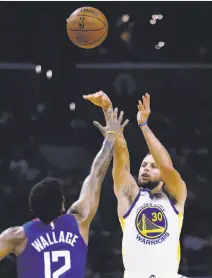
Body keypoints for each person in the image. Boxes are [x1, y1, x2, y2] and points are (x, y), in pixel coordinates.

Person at [0, 107, 129, 278]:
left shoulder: (18, 235)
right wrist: (110, 138)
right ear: (62, 203)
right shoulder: (80, 220)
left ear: (32, 207)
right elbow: (96, 174)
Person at [83, 91, 187, 278]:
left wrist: (144, 125)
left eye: (153, 167)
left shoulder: (176, 197)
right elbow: (121, 156)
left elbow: (167, 166)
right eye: (143, 165)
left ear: (163, 178)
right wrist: (108, 110)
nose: (145, 169)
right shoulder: (131, 196)